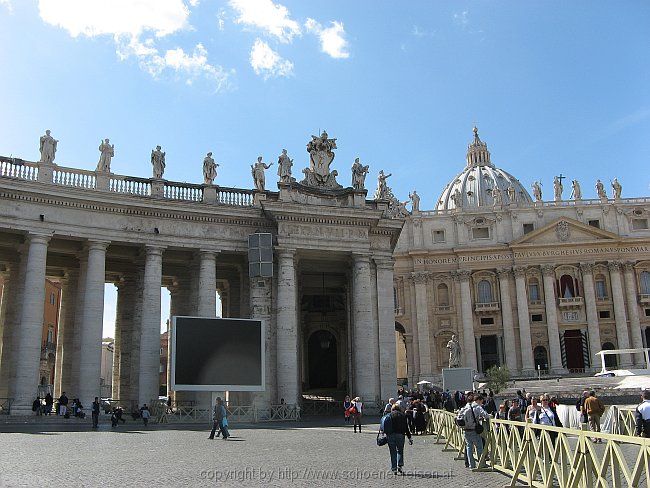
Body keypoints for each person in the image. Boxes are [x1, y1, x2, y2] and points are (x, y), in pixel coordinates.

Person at [458, 394, 489, 469]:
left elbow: (458, 417)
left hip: (466, 430)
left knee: (469, 447)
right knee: (479, 447)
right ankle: (481, 464)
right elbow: (486, 415)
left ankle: (472, 465)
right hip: (474, 430)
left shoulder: (465, 408)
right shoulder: (477, 407)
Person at [381, 404, 413, 475]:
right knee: (400, 450)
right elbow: (406, 427)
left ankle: (394, 468)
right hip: (400, 435)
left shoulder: (389, 415)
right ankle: (400, 466)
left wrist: (384, 433)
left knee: (393, 452)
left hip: (391, 435)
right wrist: (409, 437)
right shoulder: (403, 416)